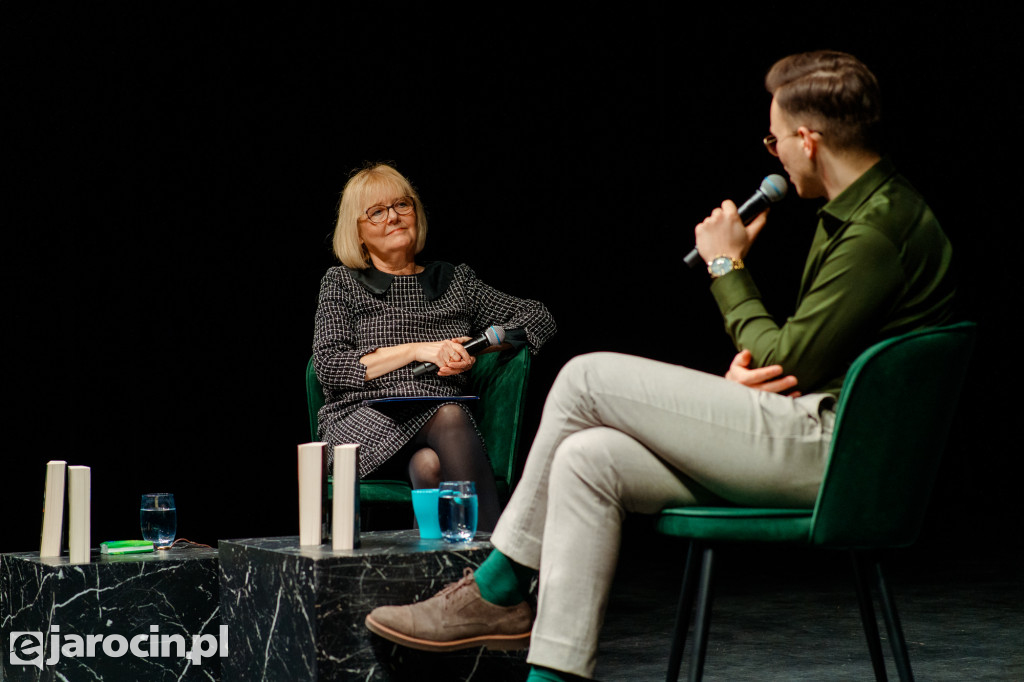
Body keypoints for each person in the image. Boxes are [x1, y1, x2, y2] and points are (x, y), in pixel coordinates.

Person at [363, 51, 956, 681]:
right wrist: (760, 368)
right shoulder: (863, 215)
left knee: (585, 377)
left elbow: (793, 358)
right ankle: (550, 673)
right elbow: (803, 355)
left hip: (835, 455)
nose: (774, 154)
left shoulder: (876, 230)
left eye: (775, 139)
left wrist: (726, 267)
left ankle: (498, 584)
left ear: (808, 141)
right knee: (587, 459)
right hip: (815, 429)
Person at [313, 163, 556, 531]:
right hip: (363, 420)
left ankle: (440, 573)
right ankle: (496, 562)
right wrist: (417, 350)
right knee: (450, 414)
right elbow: (330, 364)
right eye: (377, 212)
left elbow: (537, 317)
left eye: (402, 206)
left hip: (438, 426)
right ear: (358, 232)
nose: (393, 217)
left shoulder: (456, 281)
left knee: (429, 464)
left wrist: (473, 349)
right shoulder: (343, 283)